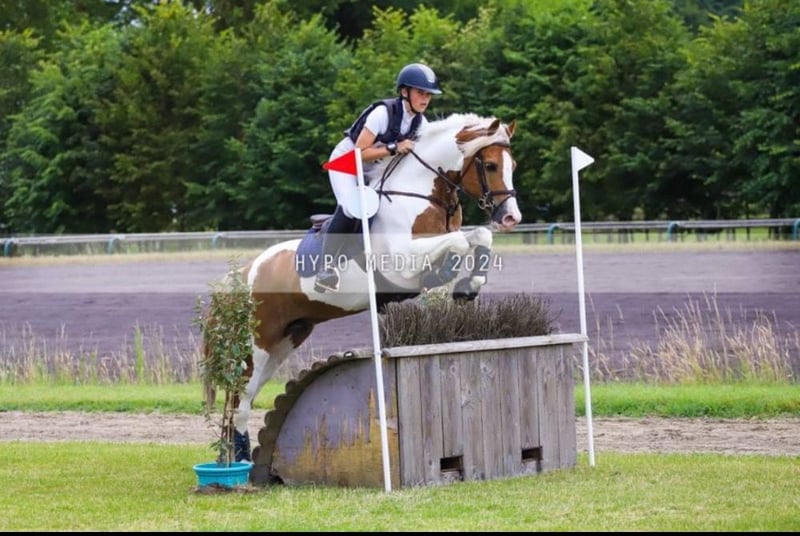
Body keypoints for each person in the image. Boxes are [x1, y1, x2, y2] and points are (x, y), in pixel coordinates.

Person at [314, 62, 443, 293]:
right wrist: (394, 147)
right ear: (405, 92)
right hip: (347, 162)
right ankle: (326, 268)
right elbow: (359, 153)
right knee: (352, 206)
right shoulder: (383, 114)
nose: (425, 99)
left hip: (375, 167)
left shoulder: (421, 122)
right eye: (420, 93)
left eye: (428, 95)